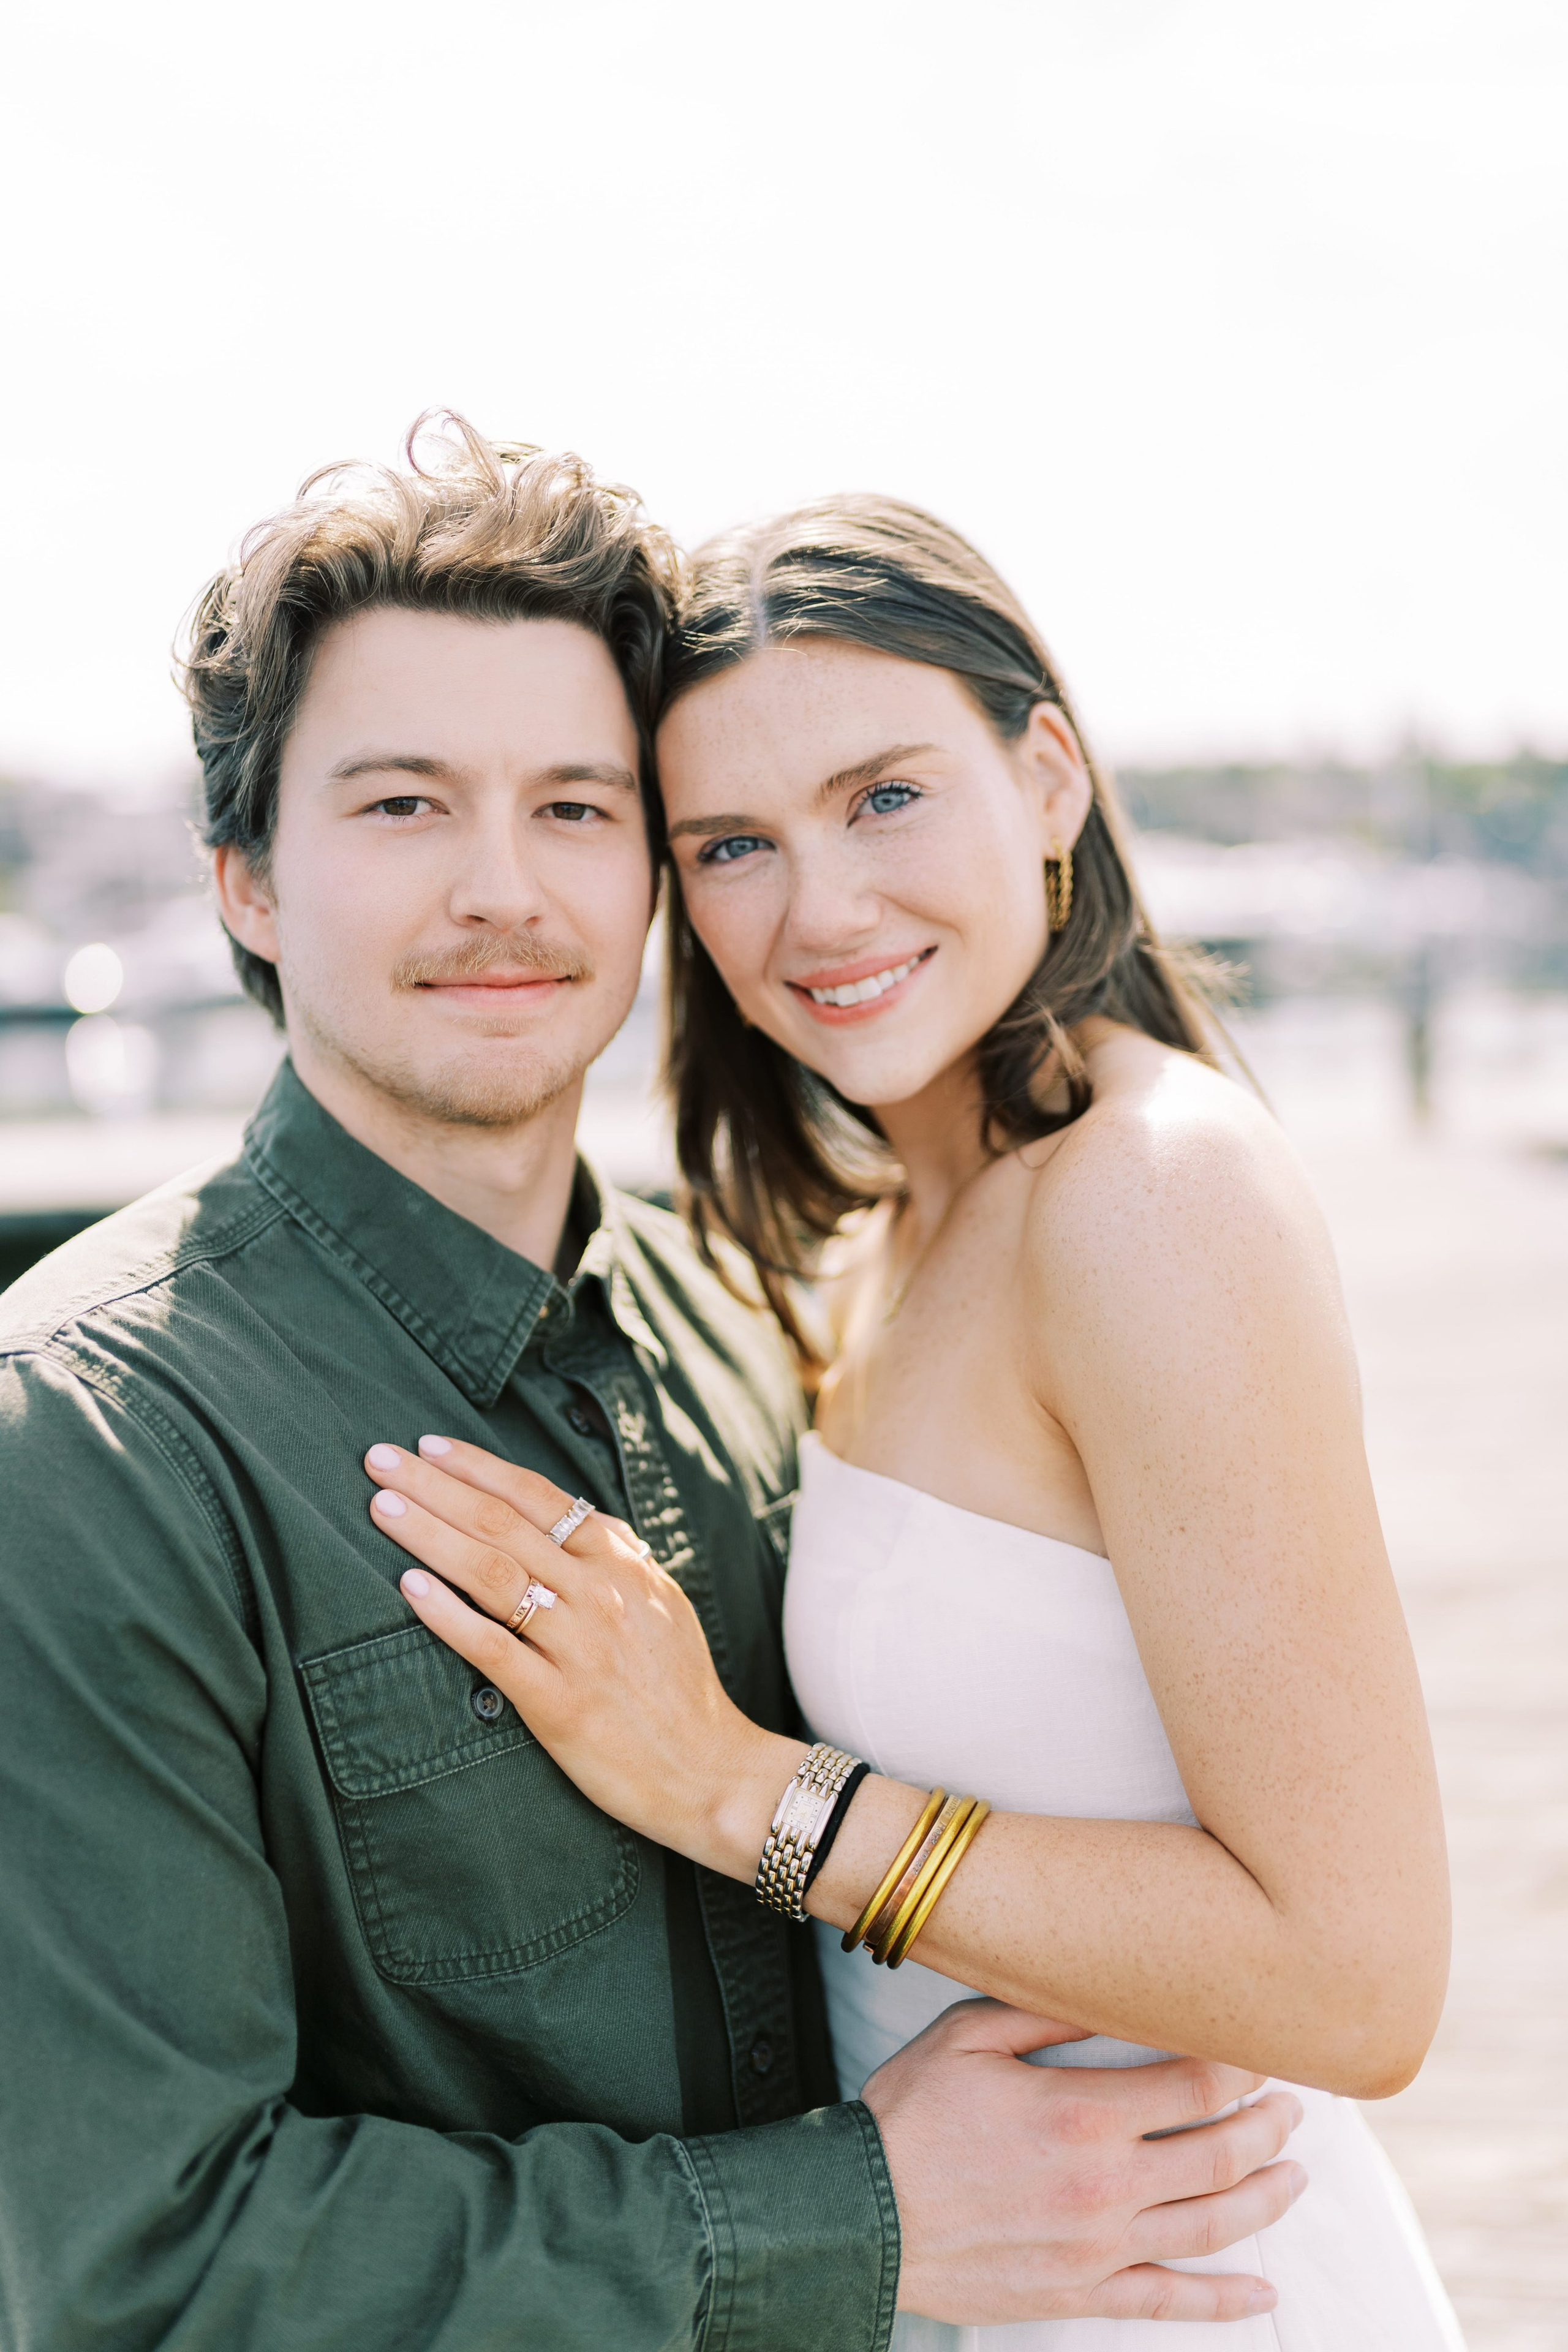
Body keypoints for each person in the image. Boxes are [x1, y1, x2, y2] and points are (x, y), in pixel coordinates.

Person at [0, 421, 1306, 2352]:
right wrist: (859, 2220)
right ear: (246, 887)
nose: (502, 891)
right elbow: (142, 2260)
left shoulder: (744, 1324)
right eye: (400, 807)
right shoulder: (92, 1445)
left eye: (579, 808)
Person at [376, 494, 1466, 2347]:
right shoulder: (898, 1219)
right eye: (733, 843)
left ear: (1045, 779)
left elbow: (1359, 1981)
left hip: (1203, 2294)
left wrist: (738, 1792)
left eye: (886, 796)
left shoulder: (1151, 1191)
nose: (823, 909)